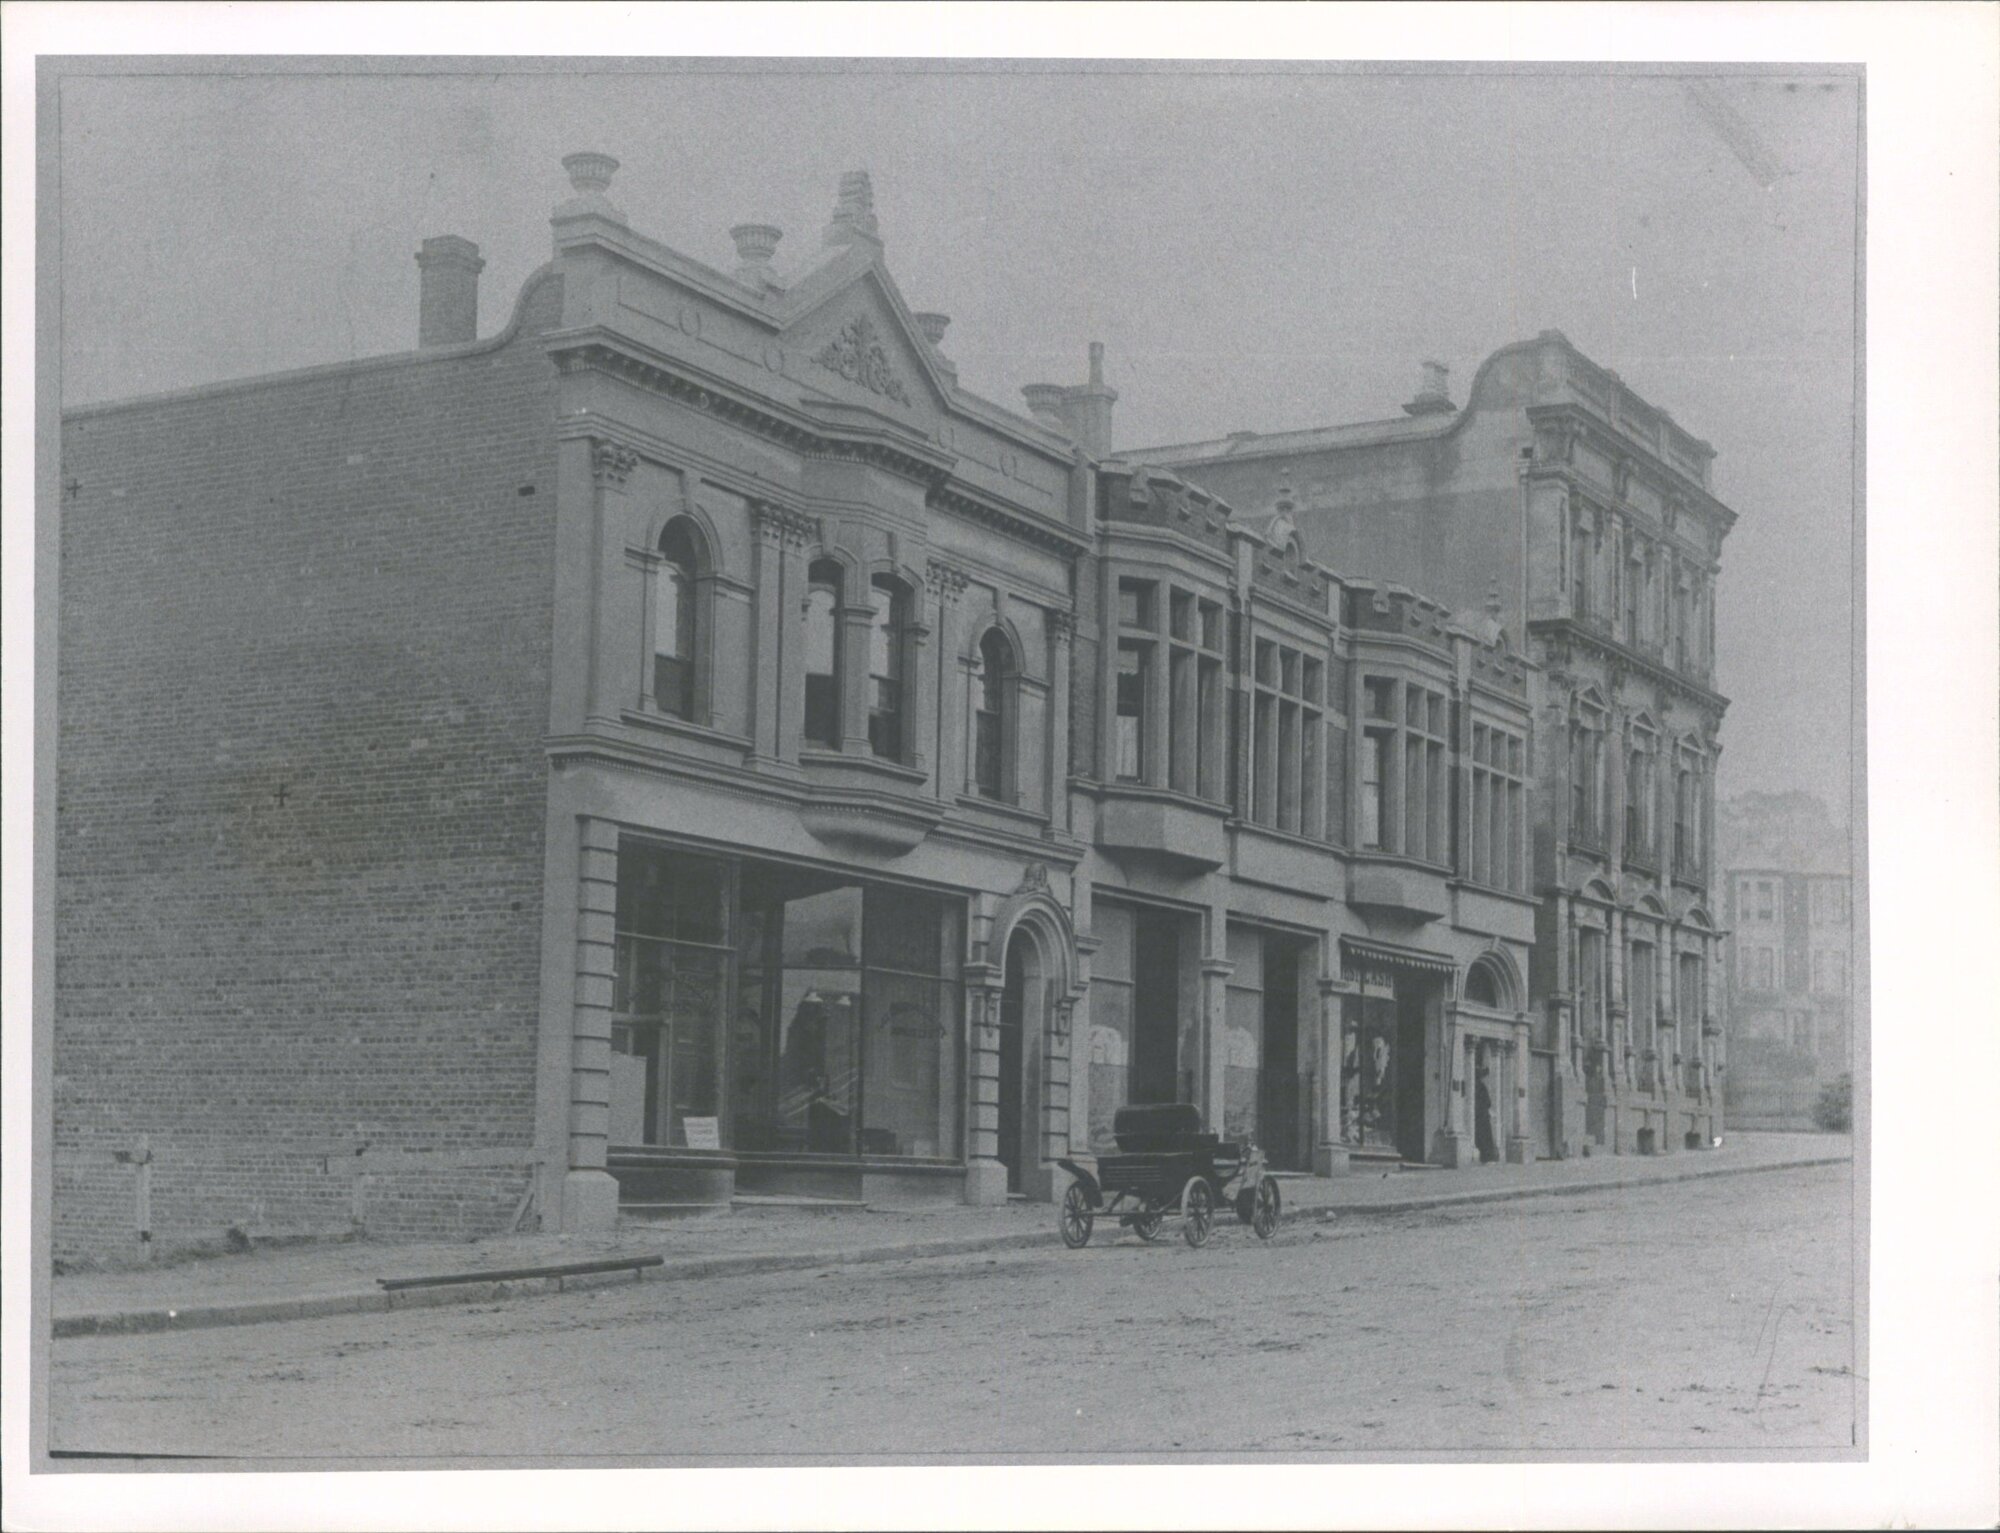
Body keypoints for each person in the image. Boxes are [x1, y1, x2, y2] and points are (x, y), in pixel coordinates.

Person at [1474, 1064, 1499, 1164]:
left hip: (1477, 1114)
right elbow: (1488, 1102)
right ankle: (1487, 1156)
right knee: (1485, 1135)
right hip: (1483, 1114)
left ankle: (1483, 1155)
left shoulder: (1474, 1085)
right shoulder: (1482, 1086)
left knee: (1479, 1135)